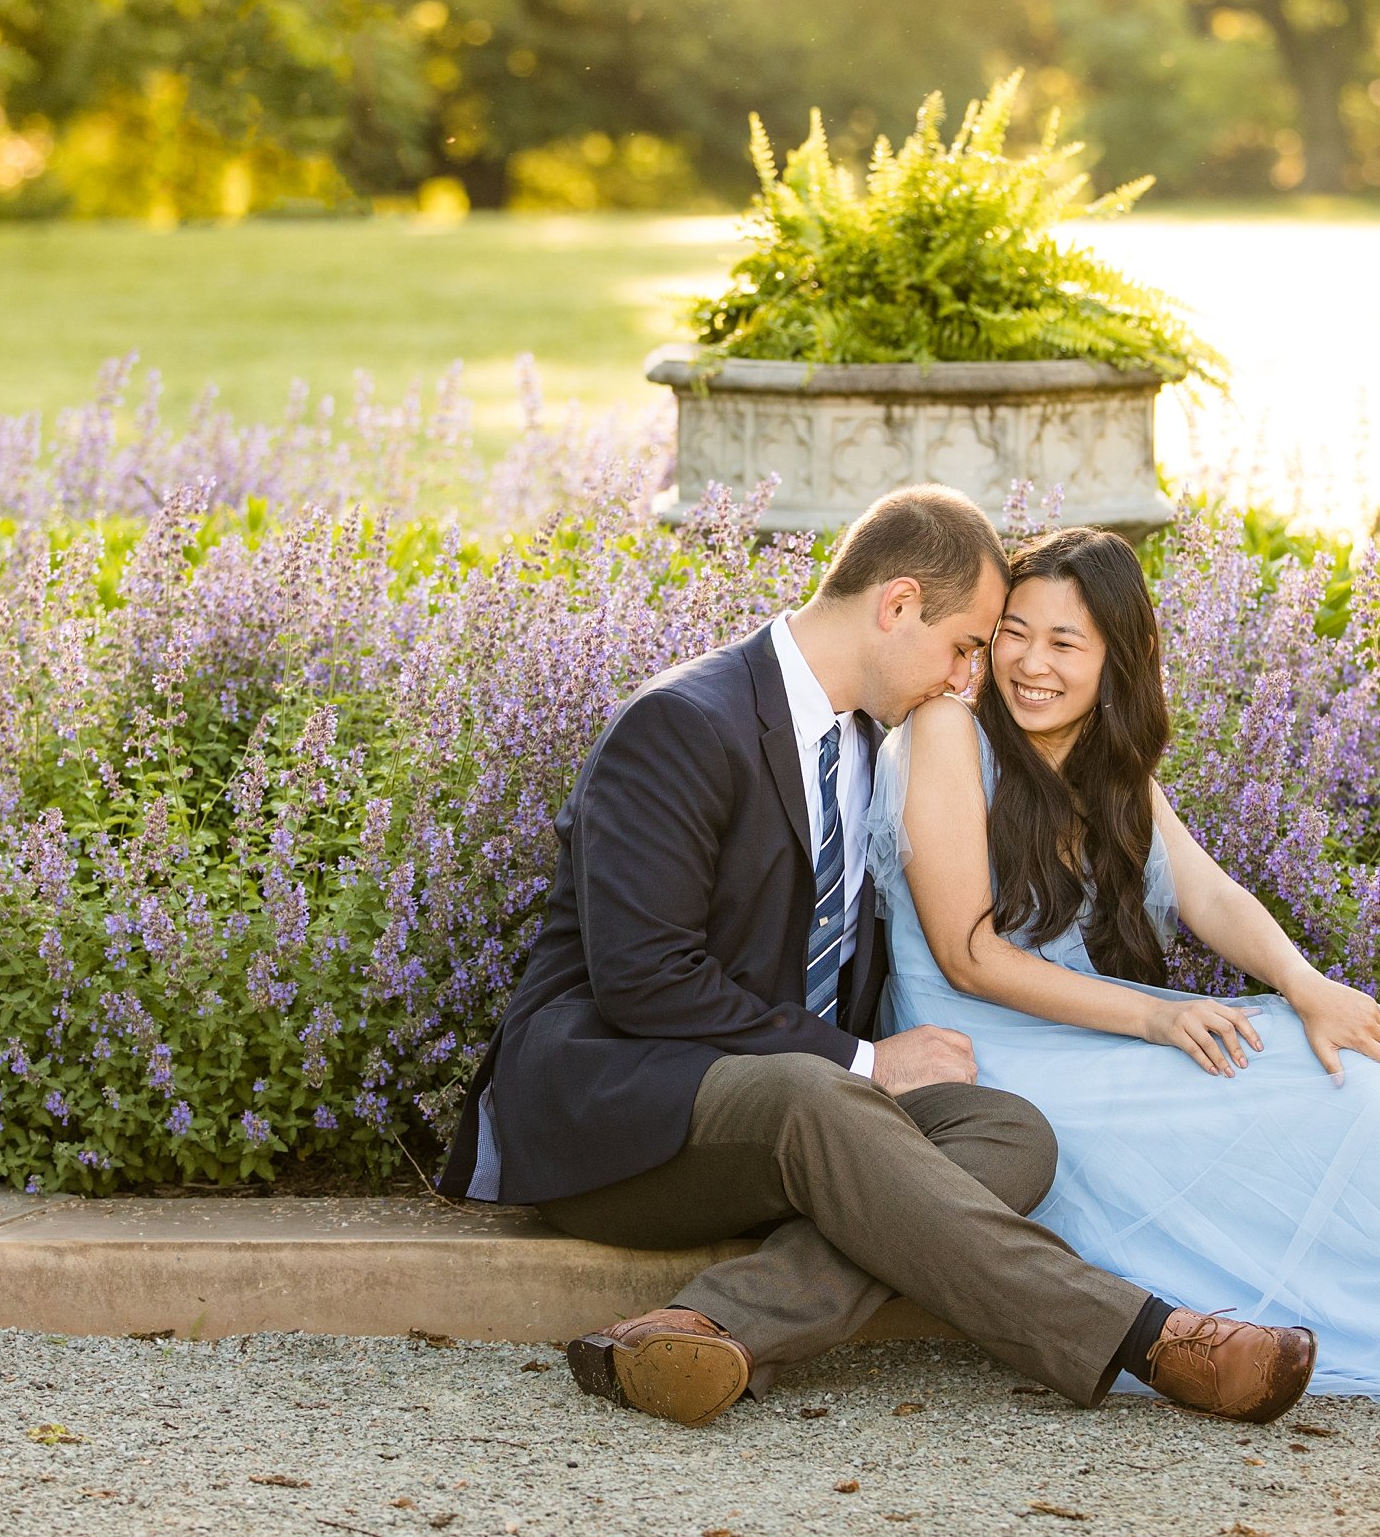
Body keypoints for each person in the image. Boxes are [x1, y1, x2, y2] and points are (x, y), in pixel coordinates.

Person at [441, 487, 1316, 1427]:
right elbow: (642, 978)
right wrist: (867, 1061)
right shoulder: (683, 724)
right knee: (816, 1093)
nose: (968, 678)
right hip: (618, 1112)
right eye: (968, 646)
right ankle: (1154, 1339)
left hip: (778, 1115)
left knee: (1010, 1135)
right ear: (897, 606)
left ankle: (704, 1329)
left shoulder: (868, 743)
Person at [873, 525, 1380, 1411]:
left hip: (1076, 1031)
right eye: (1013, 634)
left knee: (1357, 1059)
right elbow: (968, 955)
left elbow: (1212, 897)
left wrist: (1308, 987)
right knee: (1287, 1069)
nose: (1030, 663)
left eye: (1065, 643)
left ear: (1118, 660)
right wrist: (1156, 1017)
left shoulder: (1108, 771)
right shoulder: (950, 729)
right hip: (982, 1053)